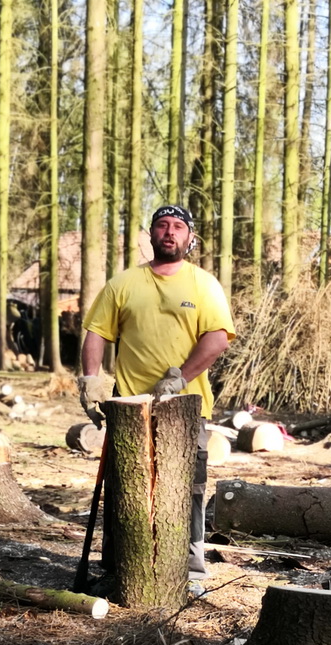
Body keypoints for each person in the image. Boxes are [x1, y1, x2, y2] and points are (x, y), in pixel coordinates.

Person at [78, 203, 236, 580]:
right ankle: (119, 565)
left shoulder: (203, 284)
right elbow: (96, 332)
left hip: (185, 408)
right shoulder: (123, 284)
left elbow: (217, 339)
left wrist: (181, 377)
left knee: (188, 488)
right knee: (124, 487)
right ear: (151, 234)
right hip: (129, 406)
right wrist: (90, 380)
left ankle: (189, 569)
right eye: (162, 225)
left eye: (178, 227)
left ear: (190, 238)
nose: (169, 232)